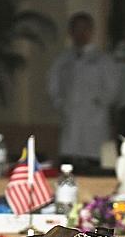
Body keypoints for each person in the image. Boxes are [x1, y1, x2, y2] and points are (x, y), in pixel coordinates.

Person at [46, 12, 118, 172]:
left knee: (93, 164)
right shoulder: (63, 59)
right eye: (76, 29)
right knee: (68, 165)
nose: (81, 33)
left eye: (84, 29)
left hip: (94, 123)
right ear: (71, 32)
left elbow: (112, 89)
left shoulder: (103, 59)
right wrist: (61, 103)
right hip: (70, 121)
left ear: (91, 31)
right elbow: (53, 84)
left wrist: (97, 102)